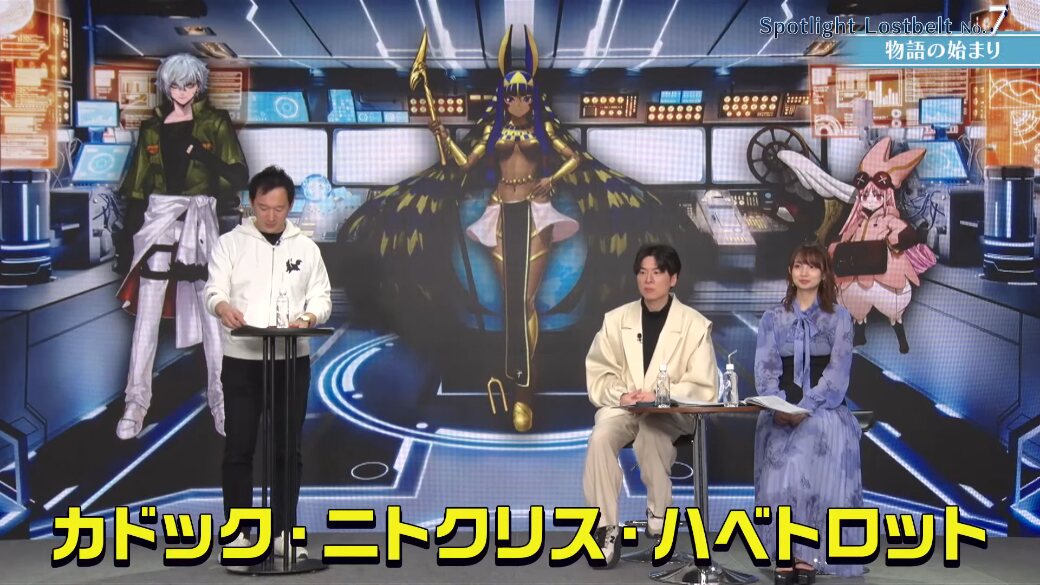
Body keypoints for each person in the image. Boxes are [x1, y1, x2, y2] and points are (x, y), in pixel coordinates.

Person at [338, 26, 690, 434]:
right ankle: (514, 376)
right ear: (503, 97)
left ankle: (524, 386)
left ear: (532, 97)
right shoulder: (495, 132)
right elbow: (463, 164)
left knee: (524, 301)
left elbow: (574, 158)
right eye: (511, 94)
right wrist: (440, 133)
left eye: (524, 94)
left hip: (536, 214)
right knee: (512, 302)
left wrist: (551, 178)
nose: (518, 101)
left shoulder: (544, 131)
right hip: (500, 212)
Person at [115, 52, 248, 439]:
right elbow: (137, 188)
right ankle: (135, 404)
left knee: (213, 318)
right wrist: (128, 245)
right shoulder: (152, 128)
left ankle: (221, 401)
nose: (183, 92)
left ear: (198, 85)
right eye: (176, 85)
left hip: (200, 220)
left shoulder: (215, 123)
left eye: (189, 85)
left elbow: (238, 175)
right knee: (146, 321)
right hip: (158, 220)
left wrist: (203, 155)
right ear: (166, 86)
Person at [204, 166, 332, 559]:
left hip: (290, 362)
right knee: (239, 448)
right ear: (251, 204)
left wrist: (309, 317)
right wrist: (222, 306)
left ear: (290, 206)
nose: (271, 216)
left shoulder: (306, 248)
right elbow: (213, 289)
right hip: (242, 360)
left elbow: (321, 297)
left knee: (287, 450)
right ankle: (238, 534)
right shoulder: (231, 244)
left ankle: (283, 533)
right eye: (263, 208)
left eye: (278, 208)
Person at [582, 244, 718, 569]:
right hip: (626, 407)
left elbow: (703, 385)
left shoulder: (694, 325)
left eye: (657, 272)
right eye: (642, 272)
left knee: (651, 431)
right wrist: (622, 395)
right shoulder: (616, 320)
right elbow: (599, 370)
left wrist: (660, 394)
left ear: (673, 278)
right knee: (600, 437)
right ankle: (605, 527)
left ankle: (658, 513)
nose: (648, 279)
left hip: (672, 412)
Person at [753, 243, 863, 582]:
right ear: (790, 272)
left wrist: (806, 406)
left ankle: (807, 553)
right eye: (799, 265)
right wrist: (778, 405)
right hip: (780, 409)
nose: (804, 272)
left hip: (824, 409)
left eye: (813, 266)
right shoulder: (772, 318)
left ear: (824, 273)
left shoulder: (840, 317)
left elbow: (837, 373)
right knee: (780, 454)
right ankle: (784, 550)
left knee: (805, 450)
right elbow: (765, 371)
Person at [830, 137, 934, 353]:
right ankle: (860, 334)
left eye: (876, 195)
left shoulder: (889, 219)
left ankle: (901, 338)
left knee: (893, 310)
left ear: (886, 196)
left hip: (886, 273)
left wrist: (896, 239)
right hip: (856, 272)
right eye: (865, 195)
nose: (870, 199)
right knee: (857, 307)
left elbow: (906, 233)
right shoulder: (857, 221)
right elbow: (845, 239)